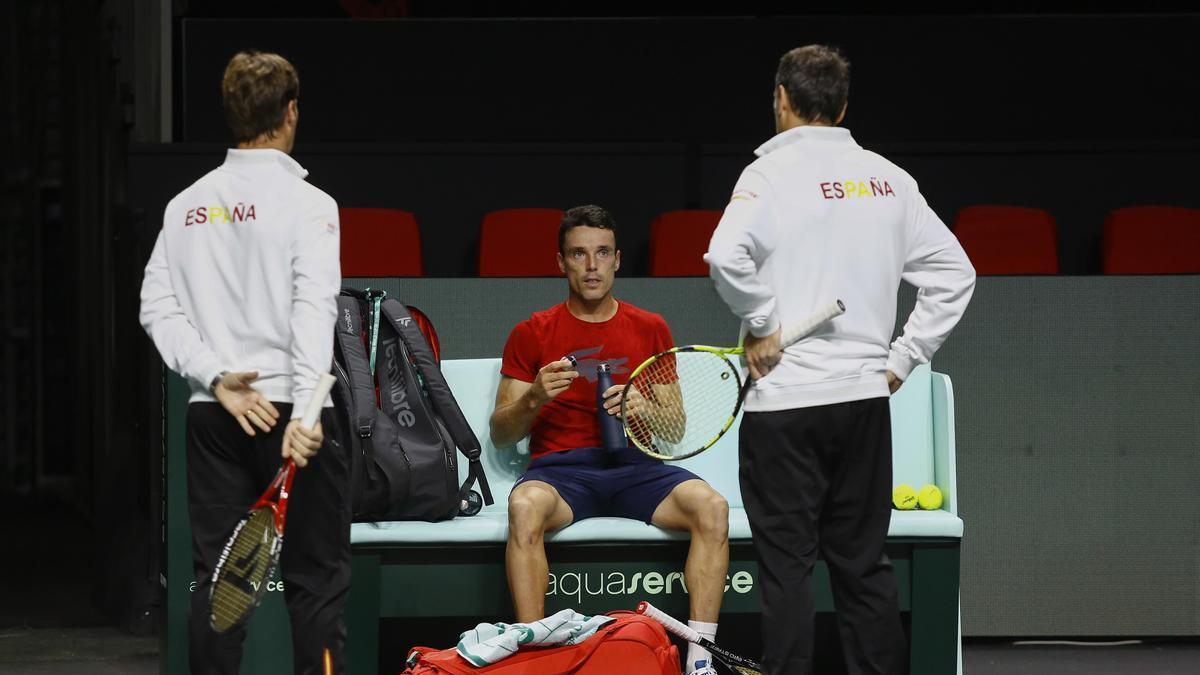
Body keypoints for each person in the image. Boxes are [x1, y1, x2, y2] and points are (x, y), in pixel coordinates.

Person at [705, 45, 976, 675]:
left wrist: (765, 323)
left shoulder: (766, 177)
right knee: (862, 566)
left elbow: (724, 257)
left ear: (781, 99)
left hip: (785, 408)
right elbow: (954, 273)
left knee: (787, 570)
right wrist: (905, 358)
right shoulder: (889, 178)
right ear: (843, 106)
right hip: (862, 403)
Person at [139, 51, 347, 675]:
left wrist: (213, 377)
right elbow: (314, 310)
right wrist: (307, 412)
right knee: (317, 585)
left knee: (220, 585)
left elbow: (157, 307)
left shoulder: (185, 207)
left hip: (215, 415)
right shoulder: (311, 205)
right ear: (289, 113)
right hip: (296, 419)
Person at [490, 205, 730, 675]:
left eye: (602, 253)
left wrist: (644, 409)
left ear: (618, 260)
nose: (591, 265)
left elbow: (674, 428)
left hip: (638, 471)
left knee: (713, 507)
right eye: (579, 254)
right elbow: (502, 433)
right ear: (561, 262)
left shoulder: (650, 327)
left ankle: (700, 661)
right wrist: (534, 397)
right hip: (562, 474)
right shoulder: (531, 331)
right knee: (523, 508)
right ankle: (540, 659)